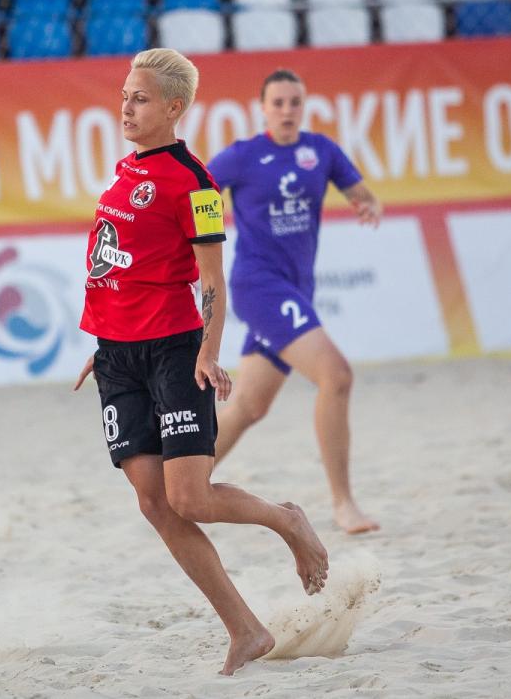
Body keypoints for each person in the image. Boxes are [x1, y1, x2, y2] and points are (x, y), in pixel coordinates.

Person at [73, 49, 329, 676]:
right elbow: (119, 268)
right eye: (124, 95)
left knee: (189, 498)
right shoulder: (125, 171)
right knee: (153, 502)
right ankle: (247, 630)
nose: (125, 107)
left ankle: (287, 521)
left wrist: (208, 352)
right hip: (117, 357)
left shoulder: (195, 182)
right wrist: (104, 343)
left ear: (174, 107)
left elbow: (212, 279)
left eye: (139, 99)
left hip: (173, 351)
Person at [207, 69, 382, 535]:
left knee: (248, 406)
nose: (287, 110)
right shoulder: (243, 155)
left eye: (295, 102)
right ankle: (344, 504)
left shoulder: (321, 150)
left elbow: (362, 193)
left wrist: (368, 204)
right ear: (263, 108)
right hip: (258, 286)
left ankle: (178, 484)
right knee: (336, 376)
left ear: (304, 107)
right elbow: (195, 192)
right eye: (278, 103)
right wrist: (198, 234)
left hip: (298, 288)